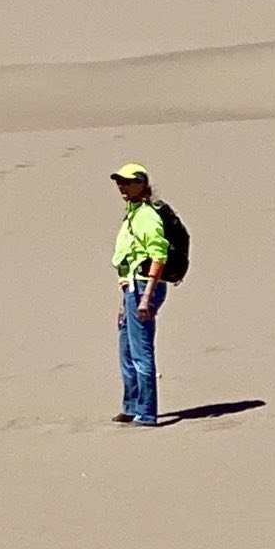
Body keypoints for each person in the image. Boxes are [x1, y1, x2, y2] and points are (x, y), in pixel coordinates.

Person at [110, 163, 168, 427]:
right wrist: (125, 300)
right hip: (132, 288)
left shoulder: (147, 215)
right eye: (119, 182)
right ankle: (131, 406)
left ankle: (147, 412)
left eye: (128, 181)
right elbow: (127, 259)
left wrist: (146, 298)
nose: (122, 186)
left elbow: (159, 255)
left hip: (145, 287)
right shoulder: (131, 215)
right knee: (126, 351)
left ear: (142, 184)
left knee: (141, 352)